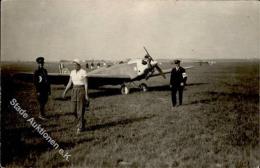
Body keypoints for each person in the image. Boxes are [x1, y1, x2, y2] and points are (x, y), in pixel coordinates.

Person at [62, 59, 89, 134]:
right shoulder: (72, 72)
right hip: (74, 91)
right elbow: (69, 83)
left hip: (81, 90)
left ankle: (80, 127)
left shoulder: (83, 72)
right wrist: (65, 92)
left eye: (75, 64)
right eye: (73, 64)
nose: (74, 66)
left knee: (80, 110)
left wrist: (86, 95)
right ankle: (82, 121)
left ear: (79, 64)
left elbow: (86, 84)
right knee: (73, 110)